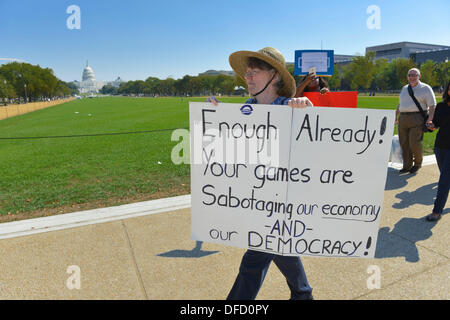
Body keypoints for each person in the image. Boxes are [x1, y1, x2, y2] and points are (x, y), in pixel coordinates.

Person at [207, 47, 314, 300]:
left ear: (274, 76)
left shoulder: (290, 108)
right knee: (279, 249)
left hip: (282, 200)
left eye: (254, 72)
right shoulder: (247, 107)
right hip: (257, 197)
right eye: (247, 74)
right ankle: (303, 294)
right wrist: (217, 116)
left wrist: (307, 109)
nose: (248, 78)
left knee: (254, 260)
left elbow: (316, 147)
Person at [395, 68, 436, 174]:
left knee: (414, 143)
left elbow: (432, 106)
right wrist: (396, 115)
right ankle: (407, 165)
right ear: (407, 77)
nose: (412, 77)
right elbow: (400, 104)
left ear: (419, 76)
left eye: (415, 75)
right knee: (404, 143)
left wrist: (430, 120)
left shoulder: (426, 88)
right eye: (410, 75)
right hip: (403, 118)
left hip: (417, 118)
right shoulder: (404, 88)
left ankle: (417, 163)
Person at [426, 82, 450, 222]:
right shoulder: (441, 106)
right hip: (440, 146)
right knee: (446, 177)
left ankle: (437, 211)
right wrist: (431, 125)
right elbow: (436, 123)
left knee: (444, 179)